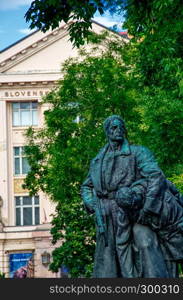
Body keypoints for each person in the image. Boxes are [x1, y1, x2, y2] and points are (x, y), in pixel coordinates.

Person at [81, 115, 183, 278]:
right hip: (107, 215)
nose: (118, 130)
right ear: (107, 131)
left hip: (135, 209)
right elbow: (86, 186)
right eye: (114, 127)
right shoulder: (97, 161)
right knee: (108, 263)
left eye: (121, 126)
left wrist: (148, 207)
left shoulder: (138, 152)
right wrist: (92, 203)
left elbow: (155, 176)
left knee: (145, 241)